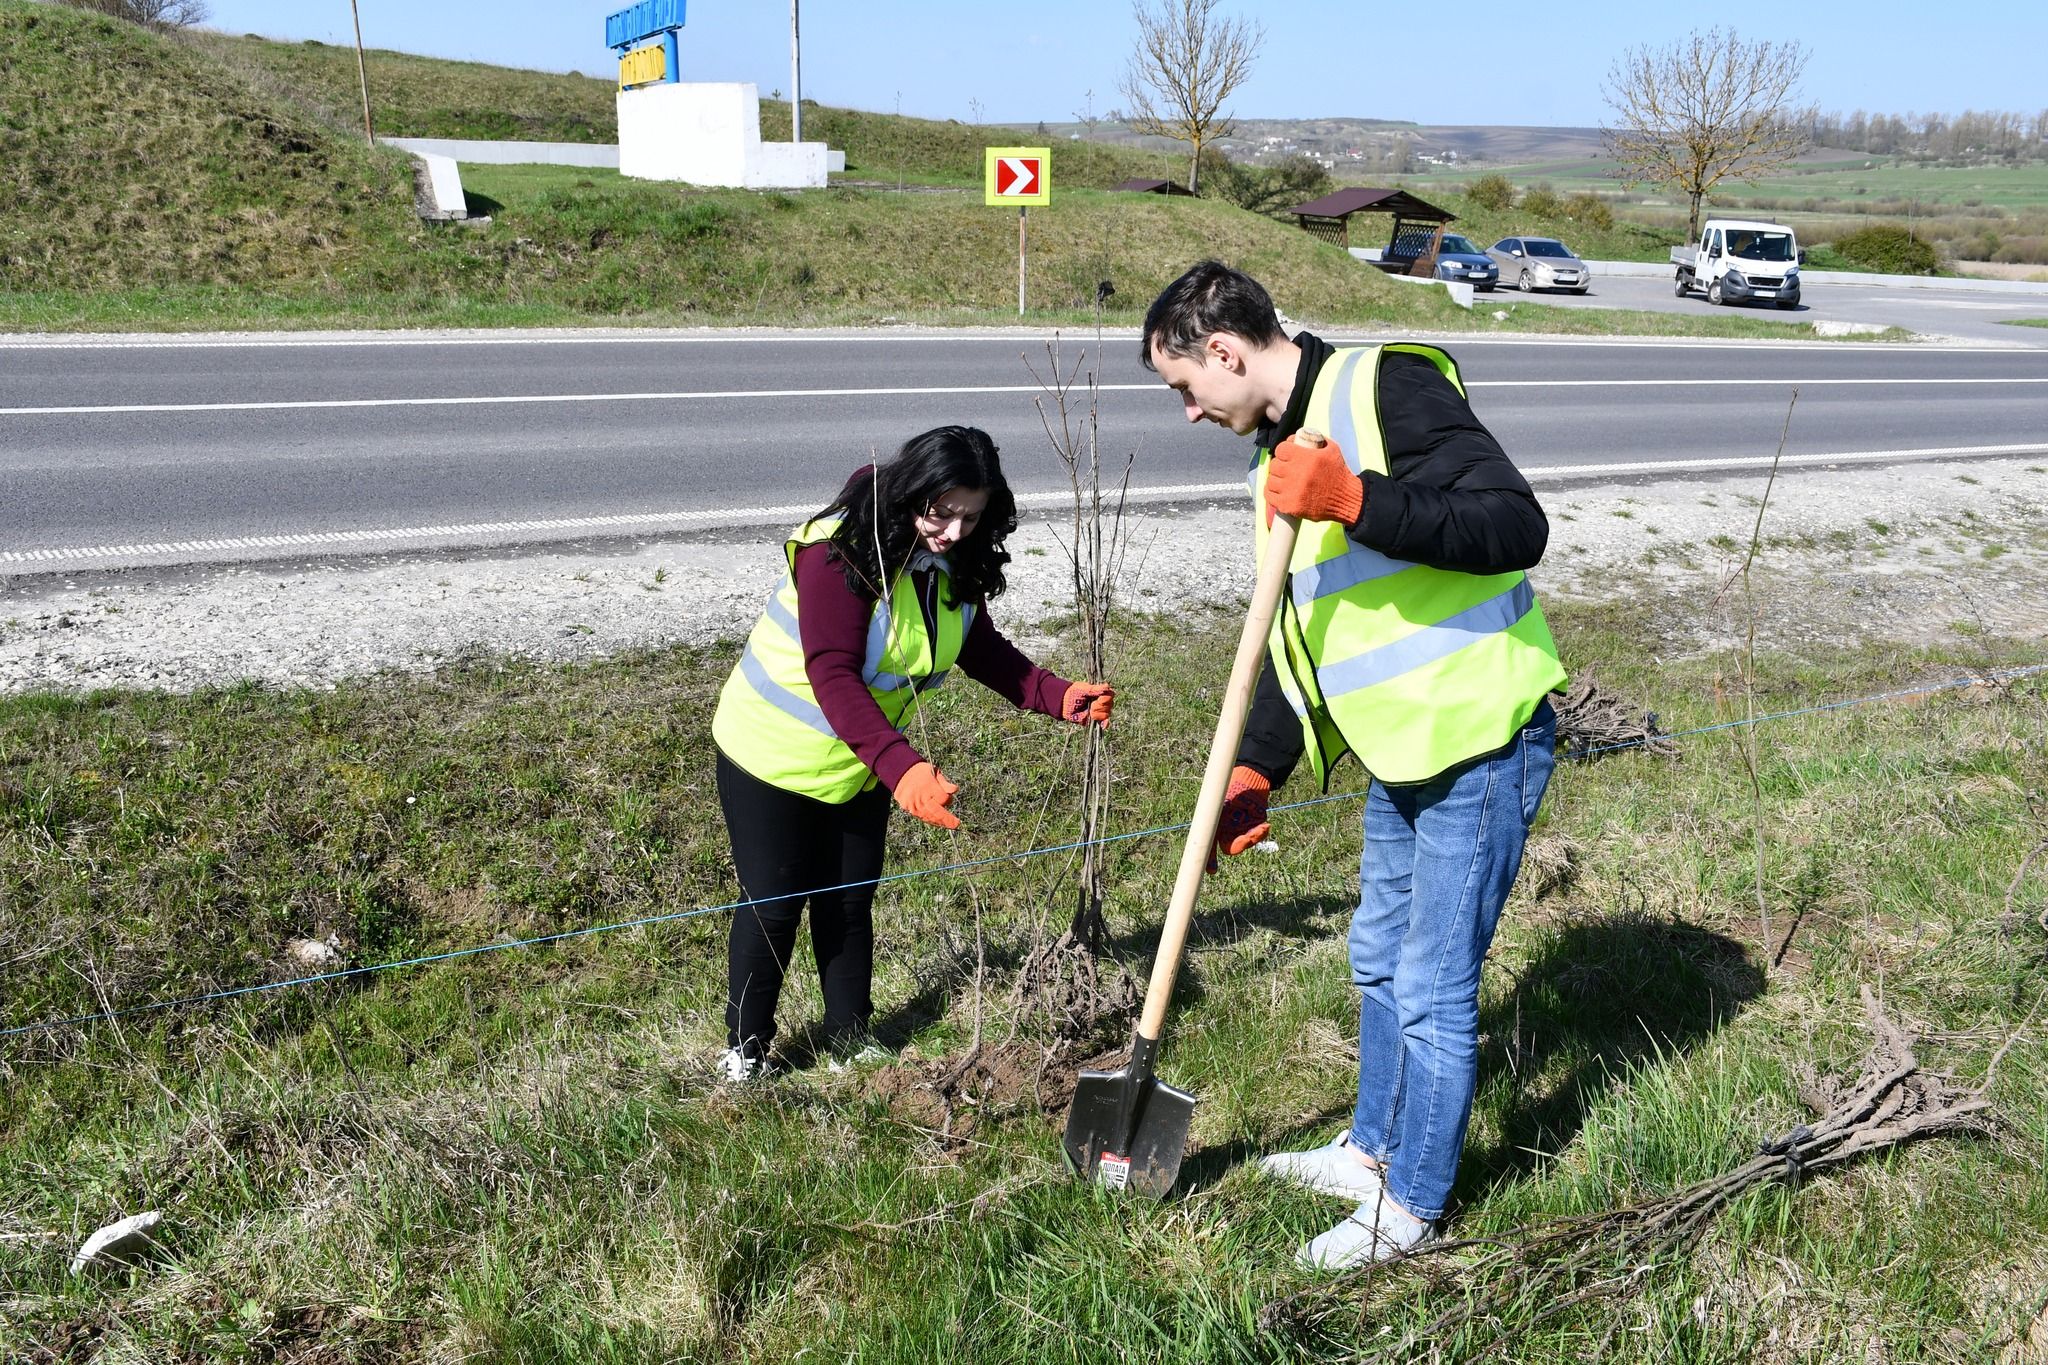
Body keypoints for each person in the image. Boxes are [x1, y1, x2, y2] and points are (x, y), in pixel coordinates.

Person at [1140, 261, 1566, 1269]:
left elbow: (1516, 525)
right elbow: (1307, 635)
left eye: (1184, 387)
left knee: (1430, 982)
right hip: (1400, 748)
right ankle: (1370, 1150)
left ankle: (1411, 1206)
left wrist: (1356, 501)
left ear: (1223, 352)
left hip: (1481, 736)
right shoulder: (1273, 458)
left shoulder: (1386, 388)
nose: (1189, 412)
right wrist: (1258, 768)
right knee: (1376, 955)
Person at [708, 425, 1115, 1082]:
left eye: (970, 518)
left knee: (848, 899)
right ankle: (745, 1052)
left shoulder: (950, 559)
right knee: (774, 905)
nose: (953, 532)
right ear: (910, 493)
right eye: (941, 512)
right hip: (772, 754)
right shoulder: (839, 552)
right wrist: (903, 769)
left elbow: (977, 645)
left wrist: (1056, 694)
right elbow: (833, 673)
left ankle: (848, 1040)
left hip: (863, 761)